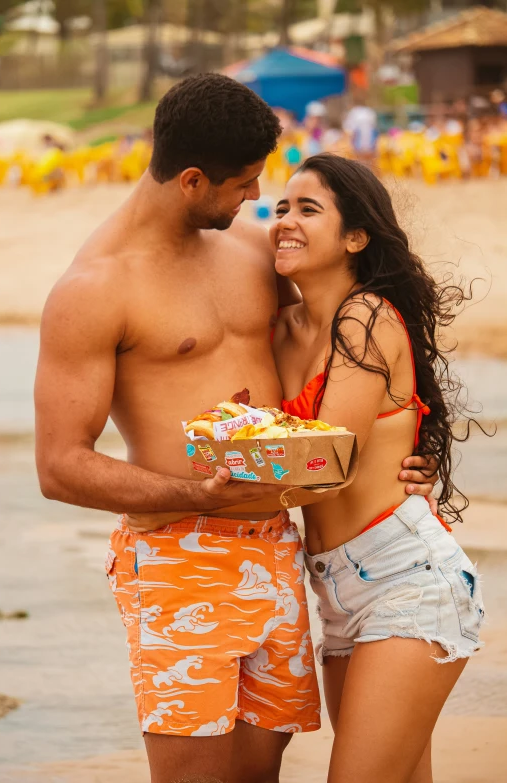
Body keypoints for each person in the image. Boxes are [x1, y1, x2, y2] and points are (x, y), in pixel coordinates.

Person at [35, 75, 436, 783]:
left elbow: (362, 335)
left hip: (282, 550)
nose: (256, 199)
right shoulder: (95, 290)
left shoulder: (254, 251)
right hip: (179, 557)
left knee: (258, 770)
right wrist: (196, 493)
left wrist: (405, 447)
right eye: (244, 184)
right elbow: (60, 464)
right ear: (192, 180)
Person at [270, 153, 485, 783]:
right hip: (335, 593)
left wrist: (214, 478)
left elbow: (328, 463)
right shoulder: (281, 330)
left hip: (405, 579)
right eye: (281, 206)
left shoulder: (365, 319)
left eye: (309, 208)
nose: (286, 218)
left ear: (356, 237)